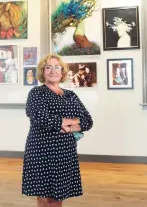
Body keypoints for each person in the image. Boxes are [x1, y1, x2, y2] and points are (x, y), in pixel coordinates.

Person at [22, 53, 93, 207]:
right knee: (45, 197)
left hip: (64, 152)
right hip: (42, 150)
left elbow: (87, 121)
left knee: (58, 196)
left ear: (62, 72)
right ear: (42, 71)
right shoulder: (36, 93)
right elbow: (41, 119)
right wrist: (73, 123)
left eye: (56, 67)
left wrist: (65, 127)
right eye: (48, 67)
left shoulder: (71, 95)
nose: (53, 70)